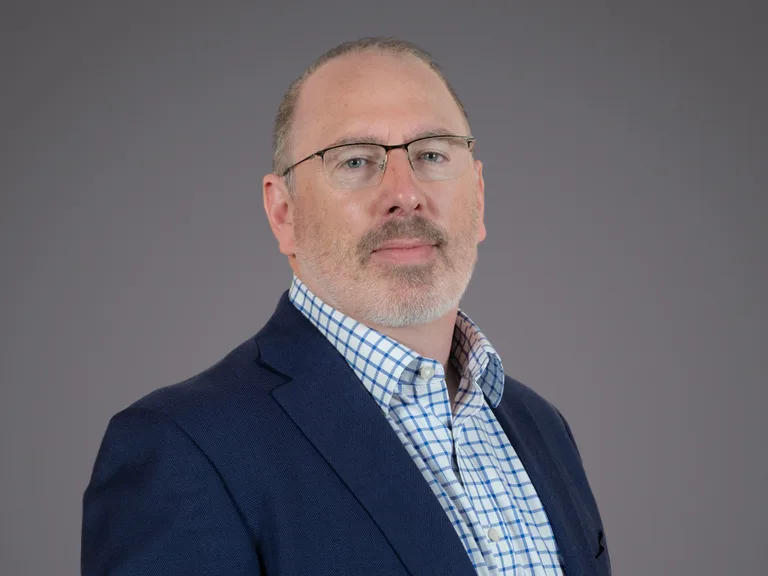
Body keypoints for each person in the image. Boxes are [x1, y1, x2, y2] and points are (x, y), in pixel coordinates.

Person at [82, 37, 611, 576]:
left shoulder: (542, 428)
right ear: (283, 212)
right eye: (356, 161)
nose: (404, 192)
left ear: (478, 195)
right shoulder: (183, 448)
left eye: (431, 154)